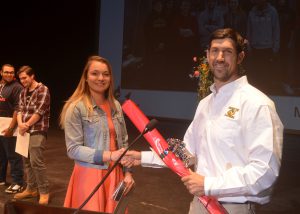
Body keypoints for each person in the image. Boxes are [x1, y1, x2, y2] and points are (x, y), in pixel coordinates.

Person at [122, 28, 283, 214]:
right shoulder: (206, 104)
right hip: (199, 204)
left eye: (228, 52)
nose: (220, 57)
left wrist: (208, 184)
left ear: (240, 57)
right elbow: (186, 153)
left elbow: (265, 173)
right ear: (207, 55)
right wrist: (142, 158)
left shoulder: (258, 104)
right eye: (215, 50)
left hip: (233, 208)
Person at [59, 56, 134, 213]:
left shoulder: (116, 106)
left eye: (106, 74)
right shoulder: (76, 107)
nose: (101, 78)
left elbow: (124, 143)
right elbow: (73, 149)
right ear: (86, 77)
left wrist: (128, 173)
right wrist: (109, 155)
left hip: (116, 175)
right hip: (89, 176)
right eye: (95, 73)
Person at [14, 65, 51, 205]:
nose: (22, 81)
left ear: (32, 76)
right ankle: (31, 189)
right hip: (24, 130)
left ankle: (44, 191)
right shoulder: (23, 92)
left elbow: (39, 112)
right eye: (21, 79)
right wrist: (20, 125)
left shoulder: (43, 89)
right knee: (27, 162)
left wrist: (26, 125)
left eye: (25, 78)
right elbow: (19, 110)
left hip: (37, 129)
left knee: (36, 162)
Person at [0, 64, 24, 193]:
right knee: (1, 155)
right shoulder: (2, 85)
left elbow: (17, 108)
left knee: (13, 155)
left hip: (10, 125)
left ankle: (18, 182)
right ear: (1, 72)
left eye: (11, 72)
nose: (9, 74)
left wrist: (11, 127)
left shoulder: (17, 87)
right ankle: (1, 178)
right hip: (0, 123)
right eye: (6, 72)